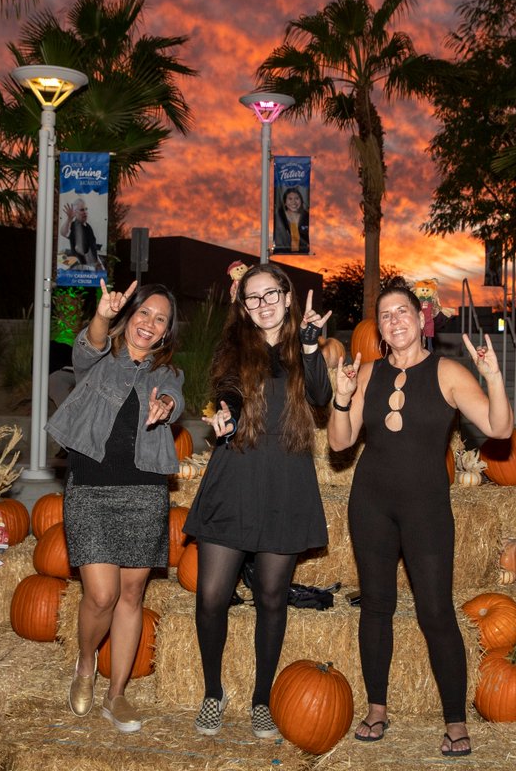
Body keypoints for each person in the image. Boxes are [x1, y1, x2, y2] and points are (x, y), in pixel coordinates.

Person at [327, 281, 513, 758]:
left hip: (426, 508)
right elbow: (340, 443)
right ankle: (376, 708)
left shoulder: (448, 372)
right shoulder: (366, 371)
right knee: (376, 606)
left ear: (420, 317)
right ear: (380, 329)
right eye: (385, 315)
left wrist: (492, 376)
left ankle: (455, 719)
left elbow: (499, 429)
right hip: (371, 503)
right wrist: (343, 397)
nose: (394, 320)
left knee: (435, 611)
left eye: (402, 311)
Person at [182, 263, 332, 739]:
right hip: (236, 475)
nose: (263, 304)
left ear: (287, 298)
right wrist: (225, 412)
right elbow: (226, 387)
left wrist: (309, 346)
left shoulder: (305, 347)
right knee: (211, 596)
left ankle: (262, 699)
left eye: (271, 295)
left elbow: (322, 396)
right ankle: (212, 692)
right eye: (253, 298)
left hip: (285, 481)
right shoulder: (234, 347)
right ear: (242, 305)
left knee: (271, 597)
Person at [44, 279, 184, 734]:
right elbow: (88, 345)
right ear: (130, 316)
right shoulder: (99, 360)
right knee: (101, 594)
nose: (150, 324)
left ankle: (117, 693)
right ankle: (87, 665)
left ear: (166, 333)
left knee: (130, 595)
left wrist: (164, 403)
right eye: (144, 313)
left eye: (160, 319)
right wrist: (104, 315)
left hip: (144, 493)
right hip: (91, 489)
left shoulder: (168, 372)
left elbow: (173, 396)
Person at [61, 197, 103, 269]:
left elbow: (93, 248)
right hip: (80, 268)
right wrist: (69, 219)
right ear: (75, 212)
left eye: (86, 209)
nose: (85, 212)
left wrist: (100, 266)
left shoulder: (88, 227)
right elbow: (64, 233)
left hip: (91, 267)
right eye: (82, 210)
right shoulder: (74, 225)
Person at [273, 187, 309, 253]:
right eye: (290, 199)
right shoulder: (278, 217)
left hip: (304, 257)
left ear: (301, 200)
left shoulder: (308, 217)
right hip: (281, 255)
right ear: (285, 203)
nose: (294, 202)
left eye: (297, 198)